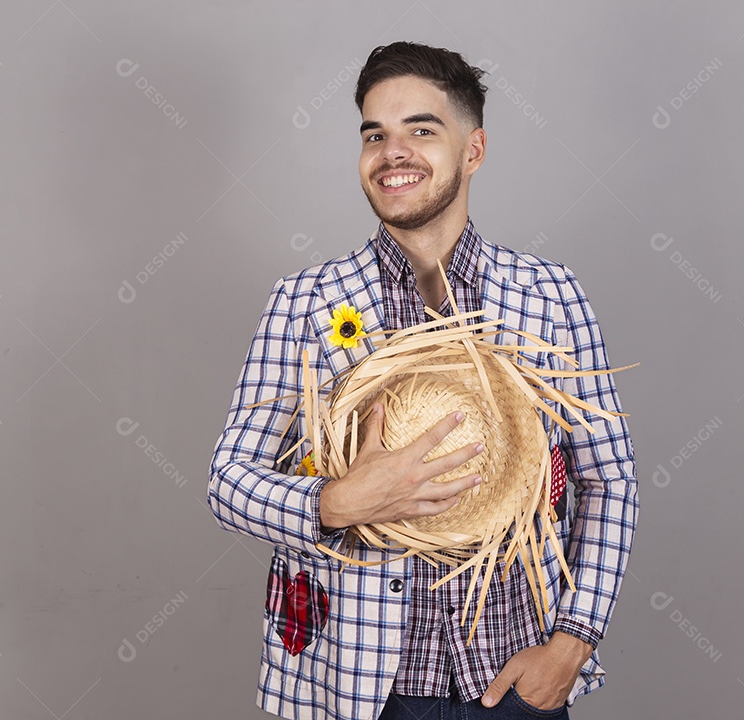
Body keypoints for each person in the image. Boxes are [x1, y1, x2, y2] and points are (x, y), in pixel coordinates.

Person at [207, 40, 638, 720]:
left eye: (422, 130)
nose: (392, 153)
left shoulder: (549, 297)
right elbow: (228, 481)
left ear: (475, 150)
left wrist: (573, 643)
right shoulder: (305, 302)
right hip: (354, 688)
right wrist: (335, 503)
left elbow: (609, 479)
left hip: (512, 683)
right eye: (374, 134)